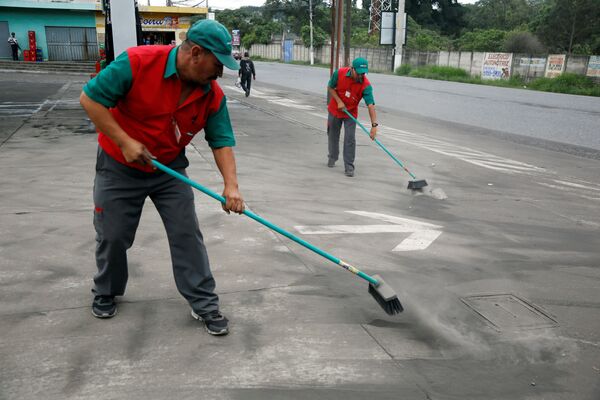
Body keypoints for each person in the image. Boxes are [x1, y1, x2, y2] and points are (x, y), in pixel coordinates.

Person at [79, 19, 244, 336]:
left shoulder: (211, 94)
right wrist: (125, 142)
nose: (219, 73)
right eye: (216, 64)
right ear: (195, 53)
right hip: (119, 165)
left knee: (187, 234)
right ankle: (106, 290)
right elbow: (90, 99)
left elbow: (221, 140)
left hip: (168, 169)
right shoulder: (138, 62)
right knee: (112, 235)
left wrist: (231, 186)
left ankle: (204, 303)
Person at [326, 57, 378, 177]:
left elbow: (371, 105)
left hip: (350, 113)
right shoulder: (339, 73)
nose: (361, 76)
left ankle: (349, 166)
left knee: (350, 139)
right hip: (335, 109)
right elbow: (330, 87)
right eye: (359, 73)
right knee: (333, 135)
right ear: (352, 69)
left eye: (363, 73)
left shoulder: (366, 85)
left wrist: (374, 125)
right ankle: (333, 156)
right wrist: (338, 101)